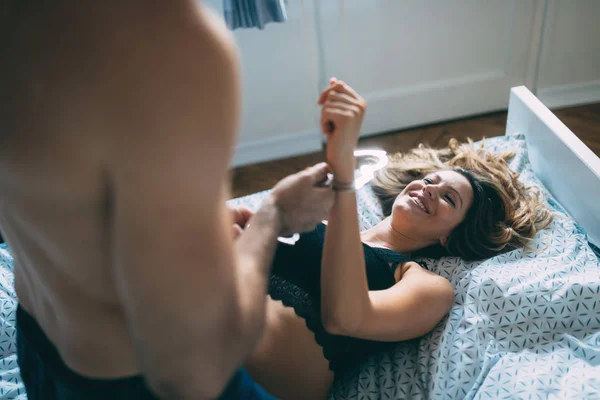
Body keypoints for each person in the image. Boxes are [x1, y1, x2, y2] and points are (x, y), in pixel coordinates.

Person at [0, 2, 334, 399]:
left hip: (40, 343)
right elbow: (195, 372)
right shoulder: (167, 38)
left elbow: (67, 185)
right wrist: (273, 214)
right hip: (130, 385)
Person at [240, 78, 553, 399]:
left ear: (450, 237)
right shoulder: (314, 221)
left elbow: (344, 318)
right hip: (200, 334)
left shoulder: (427, 286)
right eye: (430, 180)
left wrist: (344, 171)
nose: (429, 188)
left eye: (449, 199)